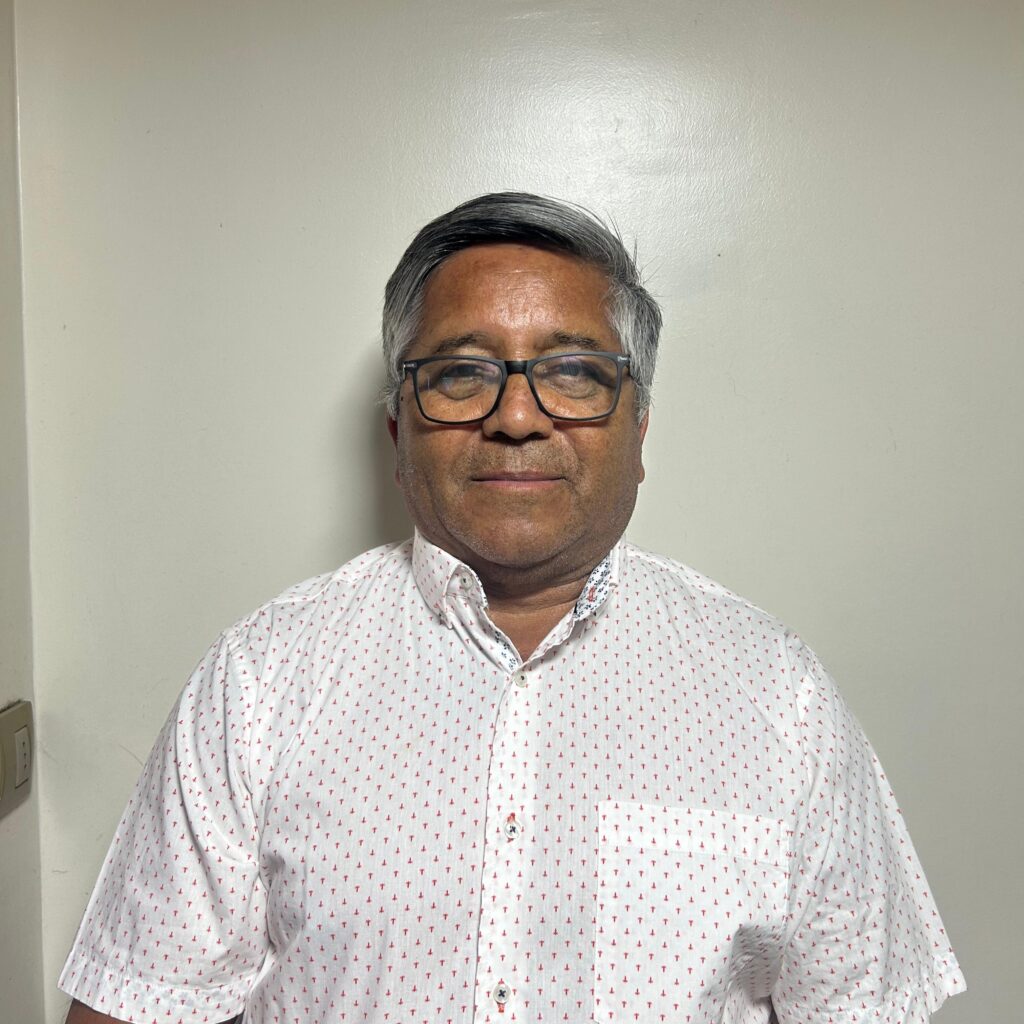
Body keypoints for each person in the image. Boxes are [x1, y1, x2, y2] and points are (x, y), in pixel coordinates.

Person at [61, 193, 965, 1024]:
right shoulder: (262, 681)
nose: (518, 418)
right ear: (398, 429)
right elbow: (137, 1004)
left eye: (573, 372)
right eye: (462, 374)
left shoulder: (776, 694)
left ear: (639, 429)